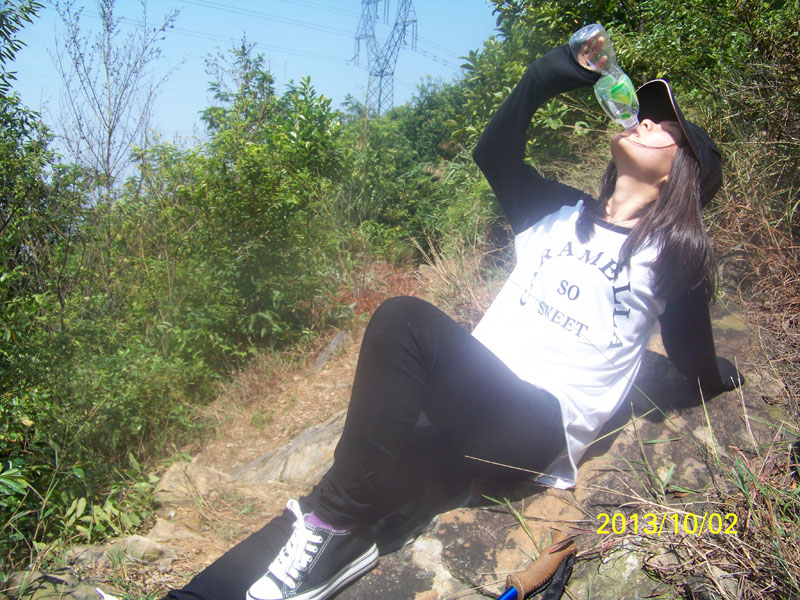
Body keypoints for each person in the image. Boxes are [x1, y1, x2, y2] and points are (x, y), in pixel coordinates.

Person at [157, 36, 743, 600]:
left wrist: (725, 376)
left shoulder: (675, 256)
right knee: (339, 494)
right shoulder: (559, 211)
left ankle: (333, 526)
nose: (644, 121)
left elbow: (693, 358)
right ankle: (210, 590)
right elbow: (494, 151)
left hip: (538, 427)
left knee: (405, 324)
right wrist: (551, 71)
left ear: (681, 175)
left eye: (664, 129)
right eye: (647, 114)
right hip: (472, 404)